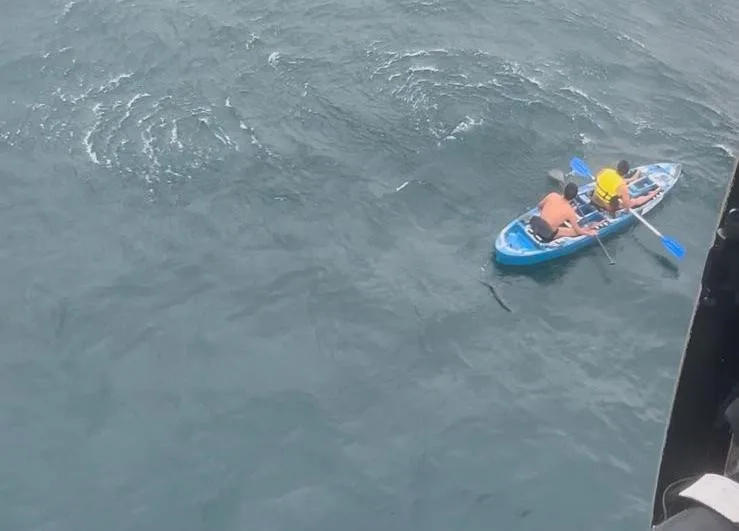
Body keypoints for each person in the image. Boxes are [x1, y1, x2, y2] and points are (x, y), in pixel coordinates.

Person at [529, 181, 599, 242]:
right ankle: (590, 229)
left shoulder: (552, 195)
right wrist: (589, 234)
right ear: (574, 197)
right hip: (546, 234)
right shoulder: (570, 211)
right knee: (574, 232)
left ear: (564, 190)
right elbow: (578, 230)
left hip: (535, 224)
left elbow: (539, 206)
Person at [592, 159, 659, 213]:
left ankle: (633, 178)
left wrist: (632, 179)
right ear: (626, 172)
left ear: (617, 167)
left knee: (615, 187)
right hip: (607, 207)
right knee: (634, 201)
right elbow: (627, 206)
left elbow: (598, 179)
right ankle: (654, 193)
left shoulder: (605, 171)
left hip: (595, 198)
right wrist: (626, 209)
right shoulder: (622, 186)